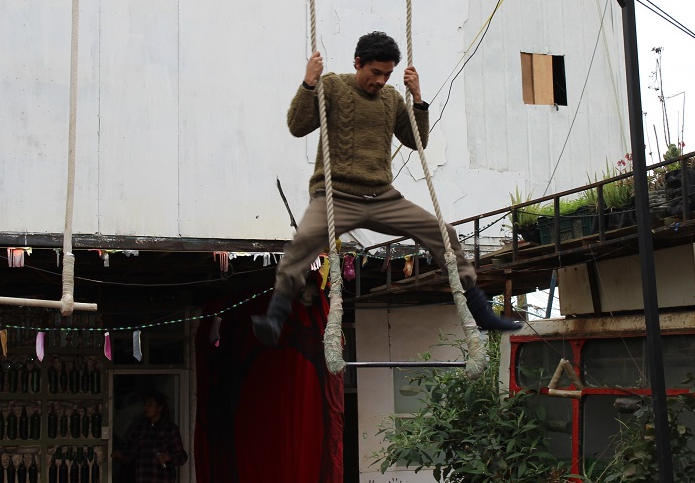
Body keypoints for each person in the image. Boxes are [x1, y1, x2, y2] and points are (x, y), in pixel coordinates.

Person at [252, 31, 522, 346]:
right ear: (358, 63)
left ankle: (480, 310)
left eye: (387, 74)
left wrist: (418, 99)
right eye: (376, 72)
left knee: (443, 233)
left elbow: (416, 141)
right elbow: (297, 126)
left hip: (381, 197)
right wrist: (309, 83)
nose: (381, 80)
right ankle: (275, 318)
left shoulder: (391, 98)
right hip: (336, 197)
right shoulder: (333, 87)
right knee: (302, 246)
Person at [113, 392, 188, 483]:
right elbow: (129, 453)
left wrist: (169, 457)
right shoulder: (139, 429)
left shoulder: (170, 429)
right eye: (145, 404)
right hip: (142, 479)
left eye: (150, 405)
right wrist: (120, 455)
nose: (146, 408)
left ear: (159, 408)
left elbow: (182, 457)